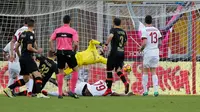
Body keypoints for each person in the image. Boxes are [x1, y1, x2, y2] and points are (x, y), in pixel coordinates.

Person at [3, 19, 48, 98]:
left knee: (26, 79)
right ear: (33, 25)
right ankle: (39, 93)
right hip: (28, 57)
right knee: (38, 75)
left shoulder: (21, 33)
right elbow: (29, 47)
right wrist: (37, 51)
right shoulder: (31, 34)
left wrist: (19, 56)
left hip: (22, 58)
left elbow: (16, 47)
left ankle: (9, 89)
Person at [49, 15, 79, 99]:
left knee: (60, 72)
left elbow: (50, 40)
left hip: (59, 52)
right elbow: (76, 43)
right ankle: (72, 91)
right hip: (69, 51)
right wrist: (74, 51)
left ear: (63, 21)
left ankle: (60, 93)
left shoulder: (57, 30)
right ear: (70, 21)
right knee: (75, 69)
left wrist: (53, 50)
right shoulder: (73, 31)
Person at [103, 18, 129, 96]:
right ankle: (125, 82)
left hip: (114, 53)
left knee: (109, 71)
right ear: (120, 23)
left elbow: (111, 36)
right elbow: (126, 44)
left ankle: (108, 90)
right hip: (121, 53)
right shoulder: (124, 32)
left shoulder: (113, 30)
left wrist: (106, 45)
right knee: (118, 70)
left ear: (113, 23)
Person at [140, 15, 162, 97]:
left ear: (145, 21)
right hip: (156, 52)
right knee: (154, 71)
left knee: (145, 71)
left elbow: (144, 42)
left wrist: (141, 49)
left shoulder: (144, 30)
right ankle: (156, 91)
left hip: (148, 52)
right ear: (151, 21)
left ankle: (145, 91)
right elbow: (160, 42)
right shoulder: (156, 29)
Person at [42, 80, 135, 97]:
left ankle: (53, 86)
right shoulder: (108, 90)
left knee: (66, 91)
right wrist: (126, 94)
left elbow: (93, 85)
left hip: (83, 85)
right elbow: (116, 94)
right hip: (85, 91)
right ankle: (50, 91)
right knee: (66, 93)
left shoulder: (101, 81)